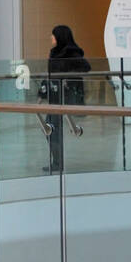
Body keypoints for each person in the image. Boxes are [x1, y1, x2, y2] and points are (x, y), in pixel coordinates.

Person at [39, 24, 91, 174]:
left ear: (60, 37)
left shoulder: (71, 52)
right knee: (48, 128)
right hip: (55, 97)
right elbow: (50, 75)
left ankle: (57, 162)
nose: (51, 37)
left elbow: (85, 67)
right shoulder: (54, 53)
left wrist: (68, 77)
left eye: (53, 35)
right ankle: (56, 160)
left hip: (64, 98)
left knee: (51, 128)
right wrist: (42, 95)